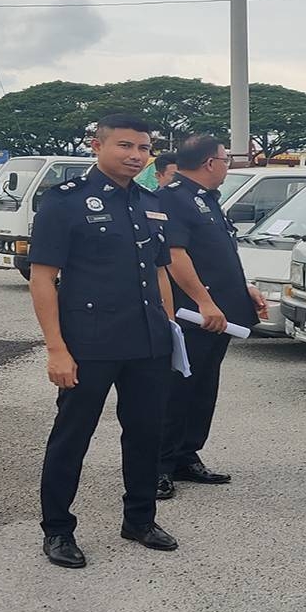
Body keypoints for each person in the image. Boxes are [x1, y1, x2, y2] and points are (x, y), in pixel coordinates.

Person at [28, 113, 180, 568]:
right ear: (97, 146)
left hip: (148, 341)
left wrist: (169, 327)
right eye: (125, 146)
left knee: (146, 434)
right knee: (72, 436)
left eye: (143, 148)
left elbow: (158, 269)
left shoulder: (151, 202)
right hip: (89, 342)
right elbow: (42, 278)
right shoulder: (65, 201)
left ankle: (139, 519)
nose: (136, 156)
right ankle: (57, 529)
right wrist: (56, 347)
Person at [155, 135, 267, 500]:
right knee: (177, 388)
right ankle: (159, 465)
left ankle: (187, 454)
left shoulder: (205, 200)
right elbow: (175, 255)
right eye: (225, 159)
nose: (227, 165)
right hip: (194, 315)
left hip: (220, 313)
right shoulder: (173, 198)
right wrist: (204, 302)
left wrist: (244, 288)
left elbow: (220, 255)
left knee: (203, 388)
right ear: (209, 163)